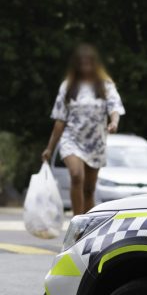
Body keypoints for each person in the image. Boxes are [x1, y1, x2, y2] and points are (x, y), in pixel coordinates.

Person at [41, 44, 125, 214]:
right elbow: (59, 120)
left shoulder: (105, 85)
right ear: (76, 66)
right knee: (76, 175)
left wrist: (114, 122)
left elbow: (114, 107)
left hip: (96, 143)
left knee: (89, 189)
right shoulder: (68, 86)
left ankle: (87, 228)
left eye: (89, 63)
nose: (86, 67)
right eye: (82, 64)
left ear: (95, 64)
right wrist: (50, 148)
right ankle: (76, 222)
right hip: (71, 139)